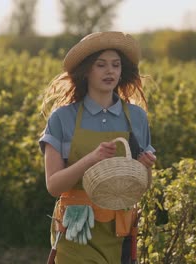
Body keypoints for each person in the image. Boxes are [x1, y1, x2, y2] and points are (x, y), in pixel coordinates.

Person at [39, 31, 156, 263]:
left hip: (120, 231)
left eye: (116, 65)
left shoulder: (136, 117)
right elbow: (53, 186)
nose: (110, 71)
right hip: (77, 232)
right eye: (101, 65)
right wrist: (91, 159)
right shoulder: (62, 118)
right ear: (86, 71)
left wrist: (145, 168)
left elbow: (141, 187)